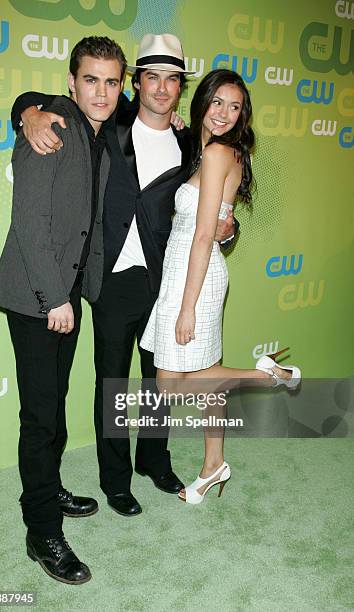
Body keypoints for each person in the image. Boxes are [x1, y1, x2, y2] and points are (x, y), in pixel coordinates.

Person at [10, 34, 239, 518]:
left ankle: (154, 460)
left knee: (160, 379)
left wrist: (228, 225)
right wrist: (26, 112)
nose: (161, 88)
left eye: (172, 79)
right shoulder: (107, 119)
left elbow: (209, 205)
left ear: (180, 88)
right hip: (110, 278)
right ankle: (115, 480)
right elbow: (44, 106)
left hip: (164, 279)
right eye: (151, 77)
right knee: (111, 382)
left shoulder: (188, 141)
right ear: (137, 83)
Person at [0, 36, 127, 584]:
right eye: (90, 79)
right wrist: (56, 299)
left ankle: (47, 489)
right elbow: (29, 222)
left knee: (56, 406)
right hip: (38, 299)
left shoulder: (98, 135)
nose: (102, 91)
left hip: (65, 295)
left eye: (112, 81)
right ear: (71, 82)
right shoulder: (51, 126)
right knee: (40, 417)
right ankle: (41, 528)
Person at [140, 68, 301, 504]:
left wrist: (187, 306)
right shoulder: (214, 150)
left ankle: (263, 373)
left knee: (170, 384)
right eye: (218, 103)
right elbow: (216, 224)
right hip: (190, 268)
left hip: (195, 274)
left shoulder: (217, 156)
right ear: (203, 103)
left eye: (235, 107)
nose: (225, 114)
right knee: (204, 377)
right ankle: (215, 464)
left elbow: (203, 235)